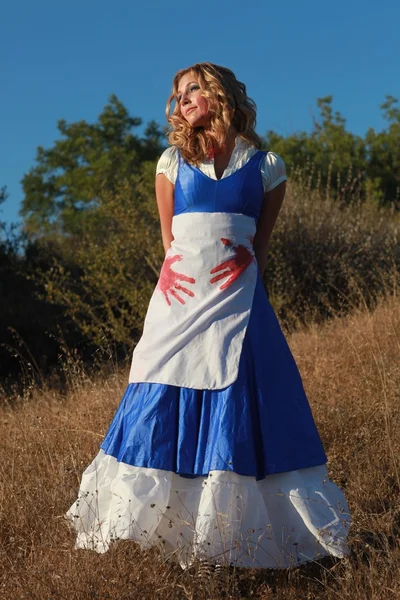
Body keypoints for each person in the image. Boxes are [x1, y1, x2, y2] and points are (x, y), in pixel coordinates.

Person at [66, 62, 350, 569]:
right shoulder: (170, 162)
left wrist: (244, 261)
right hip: (179, 303)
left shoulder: (267, 167)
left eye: (192, 88)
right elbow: (169, 241)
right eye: (178, 94)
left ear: (219, 93)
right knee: (158, 391)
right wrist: (173, 276)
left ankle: (234, 540)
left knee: (245, 399)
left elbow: (260, 247)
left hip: (238, 301)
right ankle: (146, 529)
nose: (183, 100)